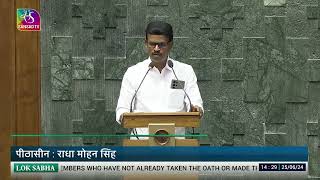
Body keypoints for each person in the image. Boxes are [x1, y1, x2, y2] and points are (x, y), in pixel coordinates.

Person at [116, 21, 203, 139]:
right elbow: (122, 109)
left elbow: (196, 104)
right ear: (146, 43)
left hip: (175, 147)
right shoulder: (133, 73)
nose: (156, 49)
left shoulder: (185, 71)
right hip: (141, 146)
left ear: (170, 44)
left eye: (161, 44)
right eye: (152, 44)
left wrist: (195, 109)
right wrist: (123, 117)